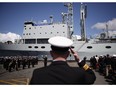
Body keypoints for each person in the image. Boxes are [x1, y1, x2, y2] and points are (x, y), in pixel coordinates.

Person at [29, 36, 96, 84]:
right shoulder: (79, 73)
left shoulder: (38, 73)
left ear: (51, 53)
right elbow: (92, 76)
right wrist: (79, 61)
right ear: (68, 54)